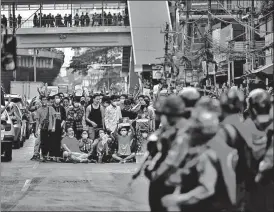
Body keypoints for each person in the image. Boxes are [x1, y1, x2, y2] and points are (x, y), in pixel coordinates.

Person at [161, 109, 233, 212]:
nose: (189, 133)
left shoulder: (208, 155)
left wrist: (177, 199)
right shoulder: (200, 150)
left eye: (193, 130)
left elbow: (206, 189)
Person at [35, 95, 56, 162]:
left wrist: (53, 126)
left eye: (45, 100)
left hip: (50, 128)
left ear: (47, 101)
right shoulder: (39, 110)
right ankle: (44, 156)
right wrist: (36, 130)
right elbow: (37, 121)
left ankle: (48, 155)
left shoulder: (51, 108)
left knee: (50, 142)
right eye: (43, 100)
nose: (44, 101)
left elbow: (54, 118)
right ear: (41, 101)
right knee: (43, 143)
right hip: (43, 128)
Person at [49, 94, 66, 162]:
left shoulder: (62, 108)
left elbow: (64, 118)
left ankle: (57, 156)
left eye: (58, 98)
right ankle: (51, 156)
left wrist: (61, 125)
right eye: (56, 98)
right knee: (52, 141)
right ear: (53, 99)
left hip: (59, 126)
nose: (57, 99)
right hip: (52, 126)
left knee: (58, 142)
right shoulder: (51, 107)